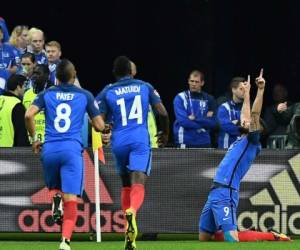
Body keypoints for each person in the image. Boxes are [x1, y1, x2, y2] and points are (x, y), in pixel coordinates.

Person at [199, 70, 290, 242]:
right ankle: (251, 233)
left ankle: (271, 236)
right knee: (205, 237)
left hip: (226, 191)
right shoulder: (240, 138)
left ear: (256, 128)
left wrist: (260, 90)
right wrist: (247, 94)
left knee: (231, 238)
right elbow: (246, 115)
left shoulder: (252, 140)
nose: (244, 120)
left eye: (249, 122)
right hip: (214, 191)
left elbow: (253, 115)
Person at [24, 59, 105, 250]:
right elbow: (100, 126)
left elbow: (28, 115)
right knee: (72, 200)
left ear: (57, 77)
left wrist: (35, 139)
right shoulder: (84, 95)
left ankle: (54, 200)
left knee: (54, 188)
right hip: (71, 150)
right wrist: (101, 126)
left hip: (50, 148)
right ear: (73, 75)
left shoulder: (46, 94)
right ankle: (65, 241)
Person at [96, 56, 169, 250]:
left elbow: (97, 118)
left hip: (118, 141)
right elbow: (162, 113)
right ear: (131, 71)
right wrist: (165, 134)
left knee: (125, 183)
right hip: (139, 139)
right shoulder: (144, 86)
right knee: (139, 180)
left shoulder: (108, 90)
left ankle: (129, 229)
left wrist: (104, 130)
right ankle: (132, 211)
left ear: (115, 72)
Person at [173, 70, 216, 148]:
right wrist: (203, 123)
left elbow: (213, 123)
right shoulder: (180, 98)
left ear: (202, 83)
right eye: (192, 81)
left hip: (204, 141)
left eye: (197, 82)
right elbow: (183, 121)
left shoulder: (209, 99)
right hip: (185, 140)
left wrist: (195, 118)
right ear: (188, 81)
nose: (193, 84)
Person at [23, 64, 53, 143]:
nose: (35, 76)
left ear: (47, 75)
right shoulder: (27, 94)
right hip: (31, 140)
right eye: (34, 73)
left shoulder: (54, 93)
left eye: (38, 73)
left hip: (49, 140)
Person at [0, 74, 29, 147]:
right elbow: (21, 134)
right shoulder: (17, 105)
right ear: (18, 87)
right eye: (24, 86)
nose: (25, 89)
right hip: (9, 152)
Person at [217, 77, 245, 149]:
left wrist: (236, 123)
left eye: (246, 89)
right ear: (233, 90)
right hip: (226, 150)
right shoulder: (224, 107)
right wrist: (243, 127)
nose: (244, 91)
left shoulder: (247, 109)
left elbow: (252, 129)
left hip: (242, 150)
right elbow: (227, 127)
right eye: (241, 89)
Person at [263, 84, 291, 148]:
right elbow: (267, 128)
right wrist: (276, 110)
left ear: (285, 93)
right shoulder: (269, 110)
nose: (276, 93)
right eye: (274, 92)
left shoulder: (293, 107)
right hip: (274, 145)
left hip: (291, 146)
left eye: (279, 90)